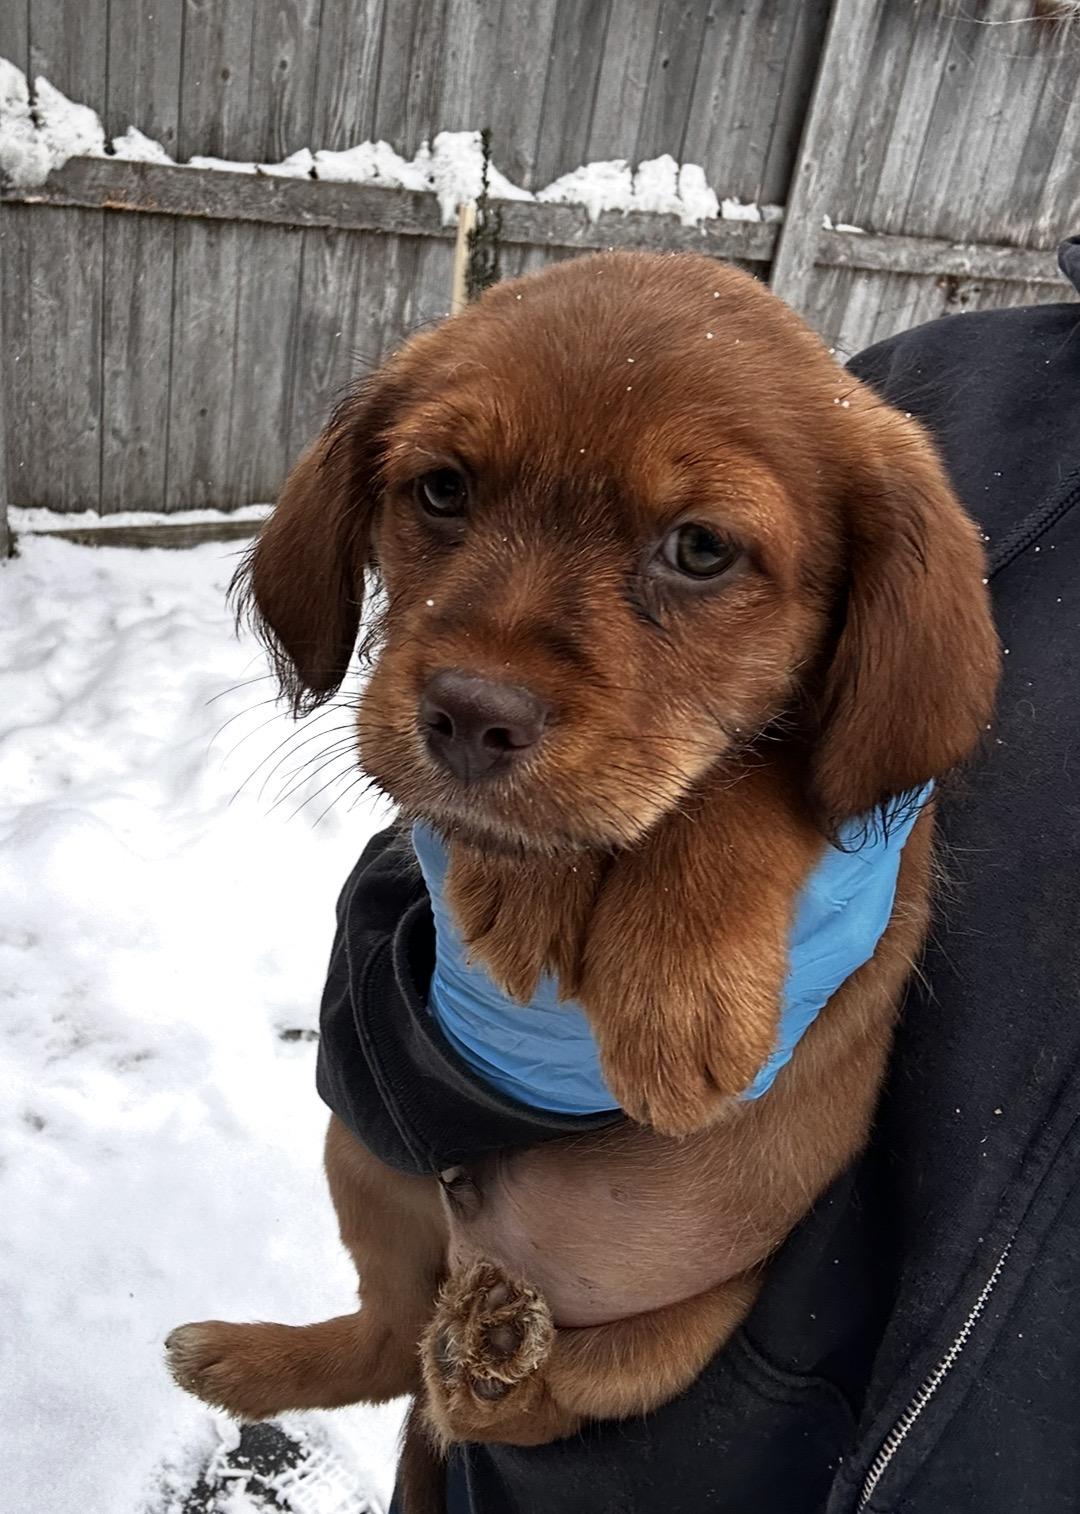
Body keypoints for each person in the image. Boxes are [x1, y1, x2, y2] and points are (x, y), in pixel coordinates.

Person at [316, 239, 1080, 1514]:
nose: (486, 674)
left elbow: (892, 727)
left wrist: (743, 844)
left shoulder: (889, 476)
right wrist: (467, 1059)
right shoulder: (954, 395)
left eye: (700, 547)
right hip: (542, 1463)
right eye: (442, 491)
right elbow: (382, 985)